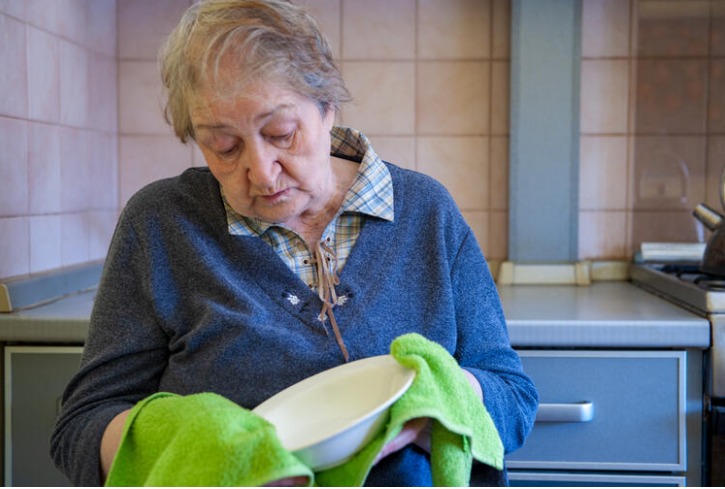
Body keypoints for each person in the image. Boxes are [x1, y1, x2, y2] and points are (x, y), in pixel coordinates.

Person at [50, 0, 538, 486]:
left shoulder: (426, 211)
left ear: (328, 106)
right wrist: (204, 454)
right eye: (224, 146)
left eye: (281, 133)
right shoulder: (160, 224)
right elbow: (82, 427)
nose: (261, 172)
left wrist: (436, 405)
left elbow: (512, 400)